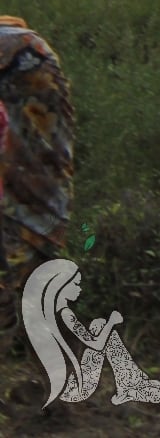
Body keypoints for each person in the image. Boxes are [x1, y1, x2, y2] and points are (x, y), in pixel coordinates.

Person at [0, 19, 75, 343]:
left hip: (20, 60)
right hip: (31, 53)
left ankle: (32, 319)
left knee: (33, 174)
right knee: (40, 168)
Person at [22, 259, 160, 405]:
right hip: (74, 388)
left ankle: (129, 383)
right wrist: (112, 322)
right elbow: (98, 346)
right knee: (102, 327)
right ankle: (130, 384)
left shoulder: (47, 314)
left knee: (98, 324)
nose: (79, 289)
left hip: (62, 382)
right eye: (75, 284)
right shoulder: (64, 314)